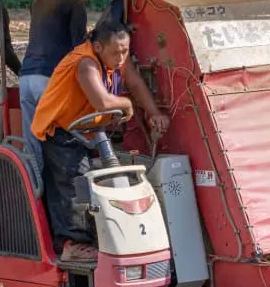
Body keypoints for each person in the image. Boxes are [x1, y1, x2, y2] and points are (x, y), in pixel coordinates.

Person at [30, 19, 170, 263]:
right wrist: (126, 104)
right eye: (115, 52)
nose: (120, 57)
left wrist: (154, 112)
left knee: (105, 179)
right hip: (62, 131)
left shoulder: (116, 61)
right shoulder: (85, 64)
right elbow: (103, 103)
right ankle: (71, 244)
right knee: (75, 184)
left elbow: (135, 83)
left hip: (88, 130)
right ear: (97, 47)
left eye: (125, 51)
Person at [19, 0, 96, 190]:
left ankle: (34, 194)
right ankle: (63, 195)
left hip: (26, 78)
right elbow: (79, 50)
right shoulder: (74, 5)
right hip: (50, 80)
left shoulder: (39, 0)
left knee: (32, 142)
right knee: (64, 141)